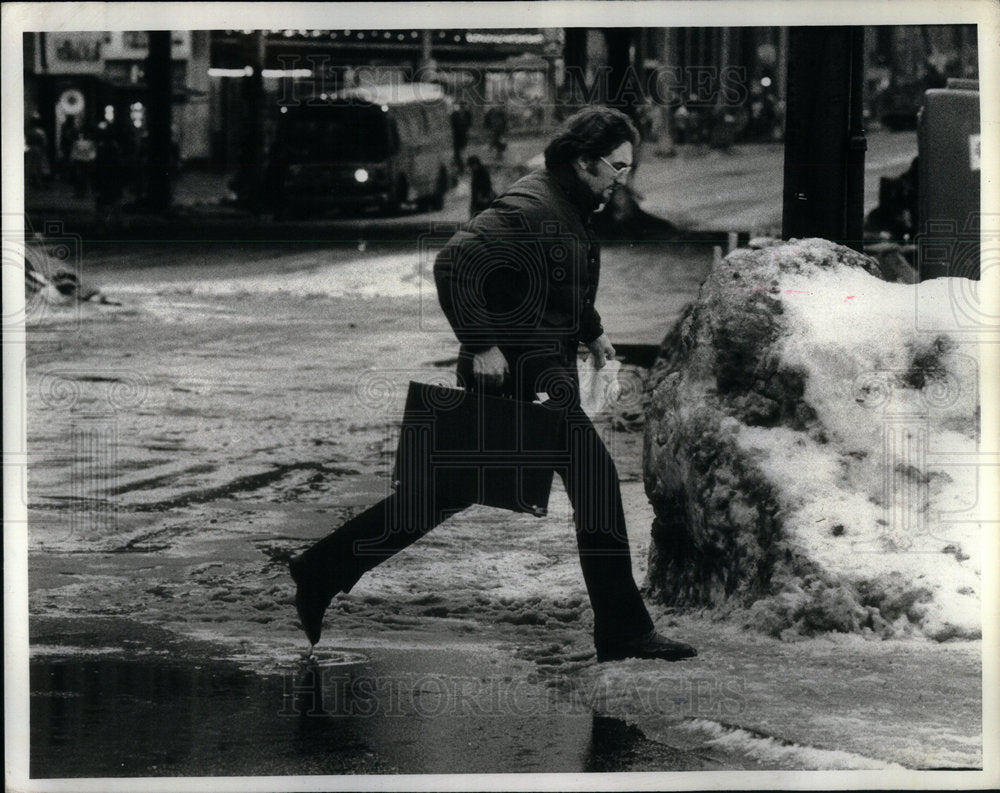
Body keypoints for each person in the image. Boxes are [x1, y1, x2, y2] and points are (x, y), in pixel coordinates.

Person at [289, 106, 697, 664]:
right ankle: (623, 630)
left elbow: (555, 281)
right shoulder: (533, 206)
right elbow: (455, 263)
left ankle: (319, 571)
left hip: (536, 370)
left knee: (449, 491)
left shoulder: (568, 202)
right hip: (521, 375)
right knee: (597, 483)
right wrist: (480, 343)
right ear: (583, 162)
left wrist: (594, 333)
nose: (623, 178)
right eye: (617, 167)